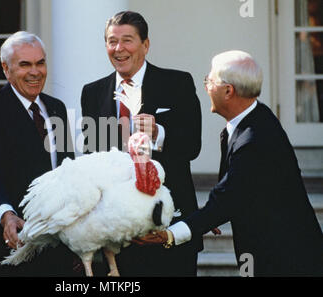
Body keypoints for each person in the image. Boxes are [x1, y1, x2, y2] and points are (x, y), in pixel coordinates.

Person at [134, 50, 323, 276]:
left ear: (228, 91)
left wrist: (169, 236)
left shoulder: (254, 139)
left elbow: (227, 197)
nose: (206, 87)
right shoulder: (252, 119)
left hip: (288, 260)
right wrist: (213, 214)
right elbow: (236, 189)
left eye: (210, 81)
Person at [80, 11, 203, 276]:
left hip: (168, 225)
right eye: (112, 41)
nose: (119, 49)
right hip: (117, 234)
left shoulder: (178, 83)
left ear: (145, 45)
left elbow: (193, 146)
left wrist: (159, 131)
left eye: (127, 40)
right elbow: (93, 159)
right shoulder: (92, 93)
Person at [0, 31, 78, 276]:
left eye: (40, 63)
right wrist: (6, 215)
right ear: (6, 69)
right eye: (25, 64)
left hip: (59, 241)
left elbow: (67, 169)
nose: (35, 72)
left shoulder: (56, 108)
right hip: (16, 240)